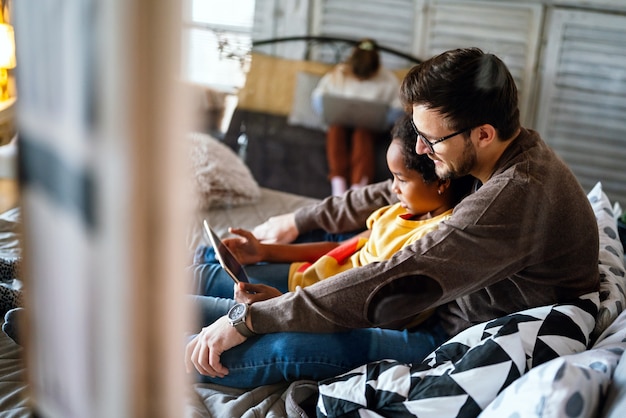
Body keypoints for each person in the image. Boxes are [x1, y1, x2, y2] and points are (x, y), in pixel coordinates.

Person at [185, 47, 600, 389]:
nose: (420, 149)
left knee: (284, 346)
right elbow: (391, 188)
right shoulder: (495, 153)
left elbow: (395, 275)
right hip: (438, 306)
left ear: (483, 133)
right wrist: (300, 219)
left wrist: (255, 319)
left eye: (431, 139)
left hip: (447, 335)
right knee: (234, 301)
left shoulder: (512, 199)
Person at [190, 115, 473, 307]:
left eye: (401, 179)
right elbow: (338, 249)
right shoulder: (396, 213)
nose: (393, 189)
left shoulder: (435, 237)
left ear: (441, 182)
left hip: (307, 298)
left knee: (201, 278)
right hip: (302, 276)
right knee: (208, 264)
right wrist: (264, 251)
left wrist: (283, 303)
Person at [311, 38, 403, 196]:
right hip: (340, 123)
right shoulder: (338, 73)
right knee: (335, 131)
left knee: (362, 135)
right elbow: (319, 97)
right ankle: (338, 186)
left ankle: (357, 189)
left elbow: (398, 108)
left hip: (370, 129)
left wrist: (383, 118)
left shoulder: (388, 80)